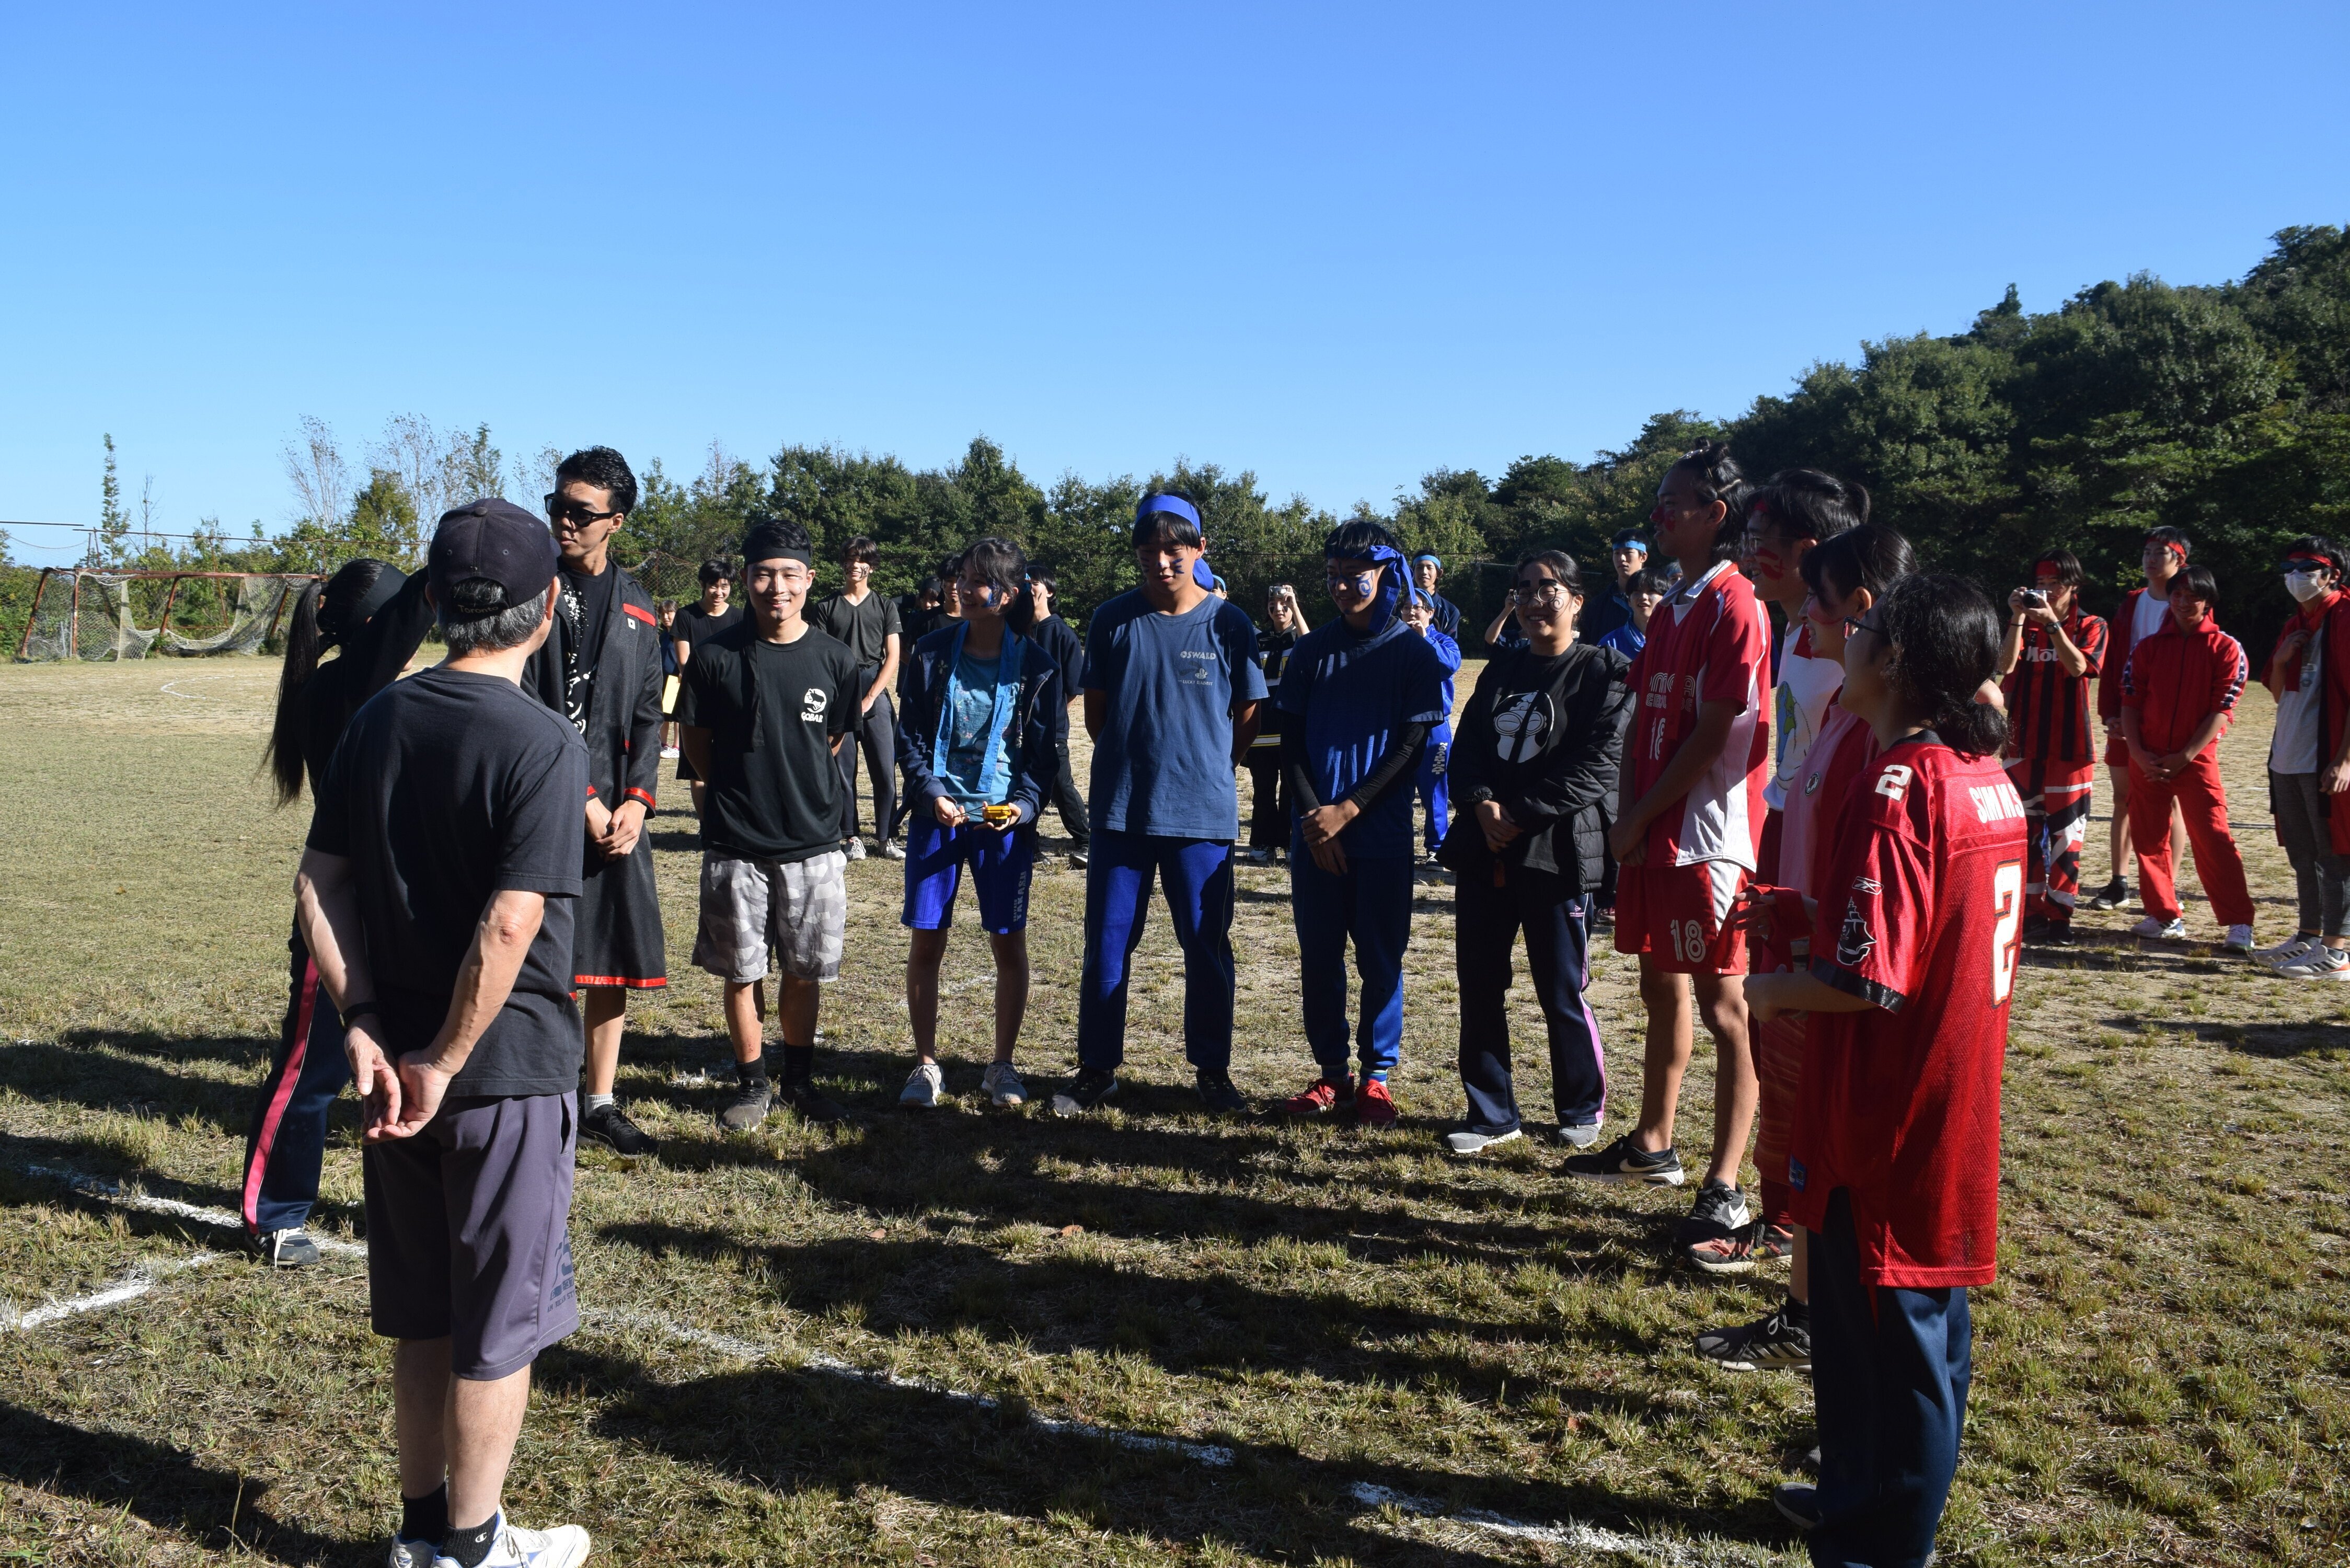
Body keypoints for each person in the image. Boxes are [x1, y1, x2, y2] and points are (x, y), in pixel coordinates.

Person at [293, 498, 592, 1568]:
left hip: (394, 1077)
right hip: (497, 1075)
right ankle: (467, 1548)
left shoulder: (377, 717)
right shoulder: (544, 742)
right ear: (547, 603)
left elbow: (317, 884)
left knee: (423, 1314)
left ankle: (425, 1531)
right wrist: (441, 1060)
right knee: (497, 1326)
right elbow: (512, 920)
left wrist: (366, 1027)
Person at [1745, 571, 2023, 1562]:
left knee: (1892, 1330)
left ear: (1895, 658)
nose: (1843, 637)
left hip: (1887, 1102)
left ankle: (1884, 1540)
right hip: (1943, 1089)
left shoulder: (1903, 784)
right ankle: (1856, 1495)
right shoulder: (1977, 774)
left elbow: (1870, 985)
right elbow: (1921, 935)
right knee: (1917, 1324)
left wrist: (1774, 989)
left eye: (1862, 627)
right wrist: (1813, 918)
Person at [1695, 523, 1914, 1375]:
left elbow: (1879, 931)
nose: (1809, 628)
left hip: (1839, 981)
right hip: (1815, 948)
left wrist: (1798, 970)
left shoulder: (1882, 742)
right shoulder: (1850, 718)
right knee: (1803, 1126)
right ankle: (1806, 1308)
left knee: (1834, 1147)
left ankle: (1831, 1331)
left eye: (1824, 608)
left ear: (1859, 614)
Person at [1568, 444, 1769, 1270]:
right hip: (1653, 832)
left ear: (1717, 513)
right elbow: (1641, 721)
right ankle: (1654, 1141)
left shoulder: (1737, 604)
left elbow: (1715, 731)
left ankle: (1726, 1183)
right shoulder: (1677, 601)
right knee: (1660, 985)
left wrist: (1643, 816)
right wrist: (1629, 815)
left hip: (1705, 841)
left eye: (1673, 504)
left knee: (1728, 1008)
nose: (1659, 517)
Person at [1673, 469, 1861, 1277]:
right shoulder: (1795, 635)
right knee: (1775, 1037)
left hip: (1827, 851)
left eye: (1767, 542)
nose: (1752, 553)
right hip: (1783, 837)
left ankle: (1801, 1226)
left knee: (1798, 1043)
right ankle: (1780, 1216)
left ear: (1810, 553)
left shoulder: (1854, 646)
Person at [245, 556, 433, 1267]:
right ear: (369, 630)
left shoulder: (379, 688)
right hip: (343, 916)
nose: (417, 635)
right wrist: (455, 551)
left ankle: (406, 1202)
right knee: (310, 1072)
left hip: (400, 910)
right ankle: (276, 1215)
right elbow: (413, 613)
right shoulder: (343, 686)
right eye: (397, 625)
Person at [1052, 493, 1265, 1117]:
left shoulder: (1230, 623)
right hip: (1122, 813)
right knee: (1108, 945)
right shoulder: (1111, 619)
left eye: (1175, 551)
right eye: (1149, 553)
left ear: (1199, 551)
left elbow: (1248, 715)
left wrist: (1209, 764)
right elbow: (1096, 714)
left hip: (1201, 815)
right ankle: (1097, 1067)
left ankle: (1212, 1071)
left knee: (1205, 946)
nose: (1162, 563)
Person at [1438, 550, 1631, 1156]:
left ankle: (1579, 1106)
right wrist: (1480, 805)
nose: (1531, 600)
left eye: (1546, 589)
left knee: (1560, 989)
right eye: (1521, 589)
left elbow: (1598, 764)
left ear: (1577, 600)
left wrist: (1518, 815)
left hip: (1556, 856)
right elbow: (1465, 749)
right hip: (1484, 851)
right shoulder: (1501, 671)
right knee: (1479, 983)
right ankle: (1491, 1112)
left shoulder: (1605, 670)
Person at [677, 522, 864, 1131]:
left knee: (804, 971)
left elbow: (832, 740)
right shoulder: (713, 657)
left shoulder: (836, 660)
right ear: (746, 580)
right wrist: (738, 796)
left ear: (809, 581)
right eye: (763, 574)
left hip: (813, 843)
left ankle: (801, 1082)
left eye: (788, 575)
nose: (775, 587)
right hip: (736, 841)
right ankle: (752, 1084)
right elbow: (698, 747)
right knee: (742, 971)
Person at [1272, 521, 1449, 1125]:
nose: (1343, 587)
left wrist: (1348, 810)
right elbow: (1289, 743)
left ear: (1384, 575)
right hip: (1315, 838)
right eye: (1334, 577)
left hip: (1381, 838)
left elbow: (1409, 747)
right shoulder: (1310, 651)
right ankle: (1330, 1075)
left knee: (1381, 958)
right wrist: (1312, 820)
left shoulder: (1413, 654)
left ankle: (1376, 1078)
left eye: (1356, 576)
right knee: (1319, 958)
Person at [522, 446, 667, 1161]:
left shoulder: (640, 603)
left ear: (617, 521)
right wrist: (578, 798)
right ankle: (543, 1096)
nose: (564, 523)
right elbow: (523, 704)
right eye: (557, 507)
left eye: (580, 513)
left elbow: (648, 713)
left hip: (617, 815)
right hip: (541, 805)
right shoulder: (530, 590)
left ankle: (600, 1102)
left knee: (610, 954)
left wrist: (637, 802)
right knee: (540, 958)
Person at [894, 539, 1063, 1109]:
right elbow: (911, 735)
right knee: (926, 940)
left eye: (977, 581)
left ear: (1007, 595)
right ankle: (924, 1065)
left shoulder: (1038, 667)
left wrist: (1023, 807)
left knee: (1008, 943)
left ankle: (1002, 1066)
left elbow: (1045, 759)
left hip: (1000, 821)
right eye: (961, 578)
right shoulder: (932, 650)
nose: (962, 589)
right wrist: (930, 791)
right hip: (937, 816)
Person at [2118, 564, 2255, 950]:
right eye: (2177, 594)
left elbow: (2223, 708)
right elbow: (2131, 699)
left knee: (2213, 837)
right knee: (2148, 838)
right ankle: (2164, 915)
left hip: (2195, 761)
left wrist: (2186, 755)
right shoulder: (2148, 648)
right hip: (2147, 758)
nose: (2182, 602)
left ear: (2208, 601)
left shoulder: (2226, 647)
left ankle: (2238, 923)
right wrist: (2138, 753)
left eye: (2192, 596)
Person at [1996, 549, 2110, 946]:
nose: (2046, 591)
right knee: (2023, 834)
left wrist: (2055, 627)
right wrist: (2018, 618)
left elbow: (2079, 668)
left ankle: (2060, 916)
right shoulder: (2023, 625)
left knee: (2067, 837)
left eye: (2055, 584)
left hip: (2071, 748)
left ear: (2074, 586)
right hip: (2022, 744)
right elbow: (2005, 667)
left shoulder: (2093, 624)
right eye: (2040, 584)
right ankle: (2028, 912)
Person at [2090, 527, 2192, 909]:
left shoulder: (2189, 603)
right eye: (2147, 551)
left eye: (2161, 552)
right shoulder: (2132, 602)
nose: (2151, 559)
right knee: (2123, 797)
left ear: (2180, 561)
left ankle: (2168, 885)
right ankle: (2119, 881)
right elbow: (2114, 660)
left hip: (2168, 719)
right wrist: (2111, 713)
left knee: (2171, 801)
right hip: (2127, 715)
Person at [2262, 538, 2350, 975]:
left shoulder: (2345, 617)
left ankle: (2337, 950)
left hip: (2326, 757)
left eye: (2307, 567)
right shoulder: (2297, 622)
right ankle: (2309, 936)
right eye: (2289, 565)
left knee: (2336, 853)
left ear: (2332, 574)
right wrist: (2280, 662)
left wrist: (2344, 760)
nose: (2296, 574)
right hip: (2289, 754)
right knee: (2303, 851)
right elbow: (2280, 694)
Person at [812, 535, 906, 862]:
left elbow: (892, 657)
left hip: (875, 689)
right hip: (839, 691)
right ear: (843, 563)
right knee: (843, 771)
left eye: (861, 560)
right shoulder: (825, 607)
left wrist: (870, 697)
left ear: (871, 565)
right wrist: (842, 699)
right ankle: (850, 837)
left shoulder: (885, 606)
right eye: (849, 559)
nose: (855, 565)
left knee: (884, 768)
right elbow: (819, 657)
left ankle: (887, 836)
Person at [1025, 570, 1091, 867]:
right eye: (1025, 583)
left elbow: (1074, 687)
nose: (1029, 588)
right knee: (1022, 784)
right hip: (1016, 727)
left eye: (1034, 582)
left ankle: (1087, 842)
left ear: (1049, 592)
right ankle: (1028, 845)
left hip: (1052, 727)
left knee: (1060, 784)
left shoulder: (1062, 633)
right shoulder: (1016, 630)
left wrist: (1050, 712)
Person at [672, 558, 741, 820]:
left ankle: (730, 821)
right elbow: (684, 662)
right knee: (697, 769)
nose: (719, 592)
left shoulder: (740, 617)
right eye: (713, 585)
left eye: (725, 586)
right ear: (703, 585)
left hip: (731, 701)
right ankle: (707, 826)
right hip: (697, 700)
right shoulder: (686, 616)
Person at [1245, 583, 1308, 863]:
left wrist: (1295, 606)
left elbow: (1309, 647)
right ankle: (1262, 842)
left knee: (1293, 791)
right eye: (1273, 605)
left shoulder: (1300, 638)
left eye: (1284, 605)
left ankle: (1291, 842)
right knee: (1263, 791)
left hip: (1291, 727)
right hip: (1263, 729)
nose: (1278, 609)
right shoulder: (1259, 640)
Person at [1401, 585, 1462, 858]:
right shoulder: (1393, 641)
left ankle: (1437, 848)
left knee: (1435, 789)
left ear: (1430, 612)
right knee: (1396, 788)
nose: (1410, 611)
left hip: (1435, 727)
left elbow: (1449, 665)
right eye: (1406, 607)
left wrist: (1424, 637)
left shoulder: (1443, 641)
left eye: (1417, 607)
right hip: (1400, 726)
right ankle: (1396, 844)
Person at [1579, 528, 1651, 644]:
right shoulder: (1598, 605)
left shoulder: (1661, 601)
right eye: (1617, 553)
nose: (1621, 558)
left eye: (1628, 552)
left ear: (1643, 557)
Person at [1595, 570, 1666, 659]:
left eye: (1651, 591)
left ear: (1666, 599)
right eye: (1637, 592)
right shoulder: (1610, 643)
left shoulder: (1675, 639)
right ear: (1629, 601)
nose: (1643, 597)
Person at [1410, 552, 1463, 638]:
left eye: (1429, 568)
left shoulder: (1450, 612)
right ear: (1412, 572)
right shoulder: (1403, 607)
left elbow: (1449, 648)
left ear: (1439, 573)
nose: (1424, 572)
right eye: (1419, 568)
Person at [656, 599, 682, 758]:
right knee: (664, 714)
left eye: (669, 613)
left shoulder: (681, 635)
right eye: (663, 614)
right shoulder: (663, 636)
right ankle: (662, 744)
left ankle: (677, 747)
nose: (666, 617)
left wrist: (682, 672)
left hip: (675, 679)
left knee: (676, 716)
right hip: (663, 679)